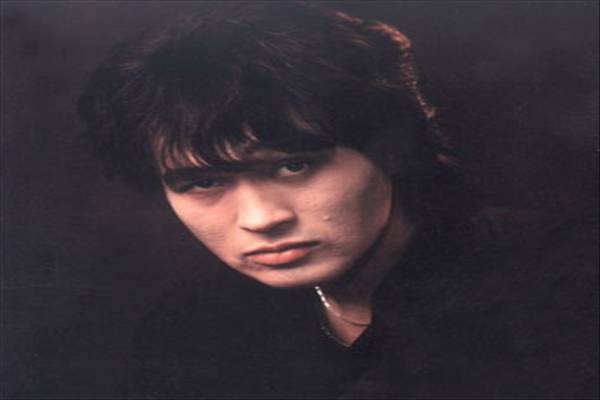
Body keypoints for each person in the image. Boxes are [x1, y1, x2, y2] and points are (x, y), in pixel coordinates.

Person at [77, 2, 597, 398]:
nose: (261, 218)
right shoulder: (191, 327)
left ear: (390, 145)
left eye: (294, 165)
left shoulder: (571, 285)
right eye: (202, 182)